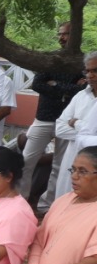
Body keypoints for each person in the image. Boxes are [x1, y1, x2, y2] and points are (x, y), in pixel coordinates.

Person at [21, 33, 83, 211]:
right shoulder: (49, 59)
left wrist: (54, 85)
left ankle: (47, 206)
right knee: (26, 161)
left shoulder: (80, 62)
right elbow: (37, 84)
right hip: (43, 119)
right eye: (60, 34)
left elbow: (82, 89)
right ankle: (20, 201)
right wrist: (66, 91)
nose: (63, 37)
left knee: (60, 166)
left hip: (66, 123)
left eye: (67, 34)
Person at [51, 52, 97, 200]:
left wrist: (76, 123)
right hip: (73, 156)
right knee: (66, 196)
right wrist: (87, 135)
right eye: (87, 71)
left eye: (95, 70)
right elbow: (59, 128)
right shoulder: (80, 96)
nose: (90, 75)